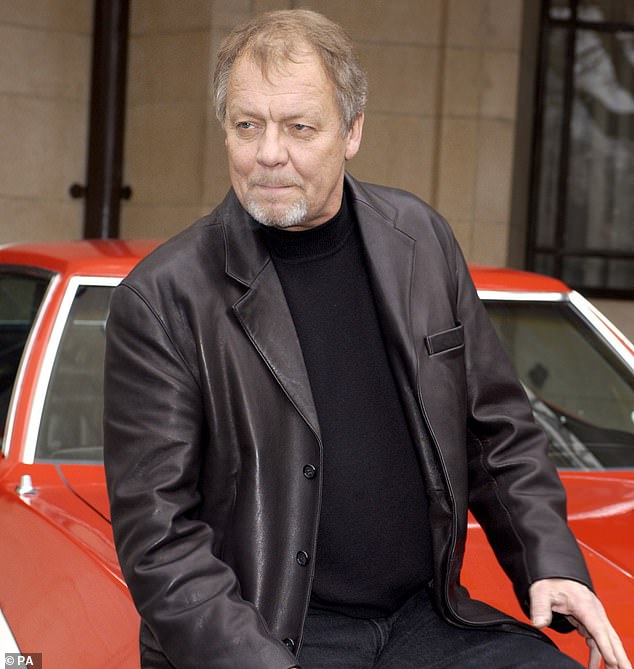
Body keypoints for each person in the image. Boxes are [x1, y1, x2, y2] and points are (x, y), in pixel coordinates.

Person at [103, 9, 631, 669]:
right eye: (248, 125)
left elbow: (497, 429)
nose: (270, 152)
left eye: (299, 127)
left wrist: (548, 559)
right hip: (273, 637)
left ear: (352, 131)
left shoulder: (420, 239)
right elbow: (160, 543)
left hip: (427, 617)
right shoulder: (162, 298)